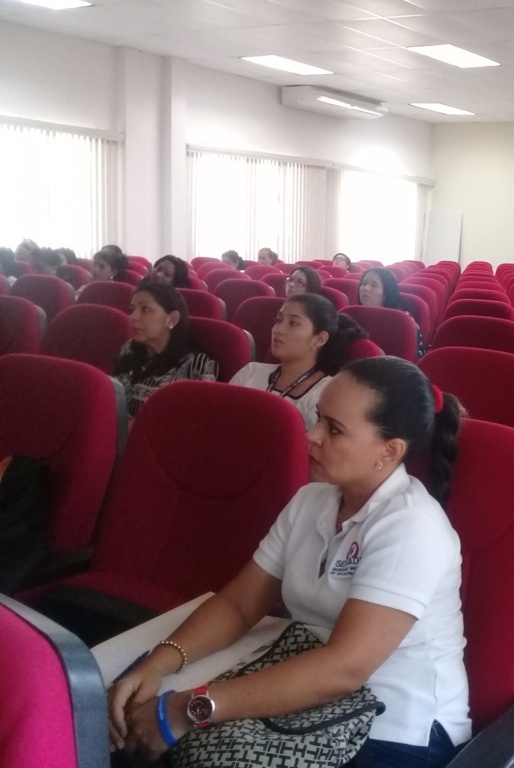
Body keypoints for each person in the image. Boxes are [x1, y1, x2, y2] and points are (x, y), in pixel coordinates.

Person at [108, 356, 471, 767]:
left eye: (333, 429)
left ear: (389, 451)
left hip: (395, 728)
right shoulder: (311, 501)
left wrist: (190, 709)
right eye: (318, 418)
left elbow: (344, 669)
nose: (311, 436)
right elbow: (238, 605)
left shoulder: (411, 527)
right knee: (132, 735)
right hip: (310, 694)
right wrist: (158, 663)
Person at [230, 294, 346, 430]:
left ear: (320, 339)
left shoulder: (326, 394)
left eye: (293, 323)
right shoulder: (250, 372)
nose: (278, 330)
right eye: (278, 320)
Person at [113, 281, 218, 423]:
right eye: (132, 310)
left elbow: (194, 424)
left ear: (172, 319)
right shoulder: (129, 349)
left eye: (145, 309)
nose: (133, 317)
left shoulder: (197, 366)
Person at [359, 267, 425, 358]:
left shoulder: (403, 320)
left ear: (386, 293)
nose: (366, 288)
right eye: (364, 283)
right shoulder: (352, 314)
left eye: (374, 285)